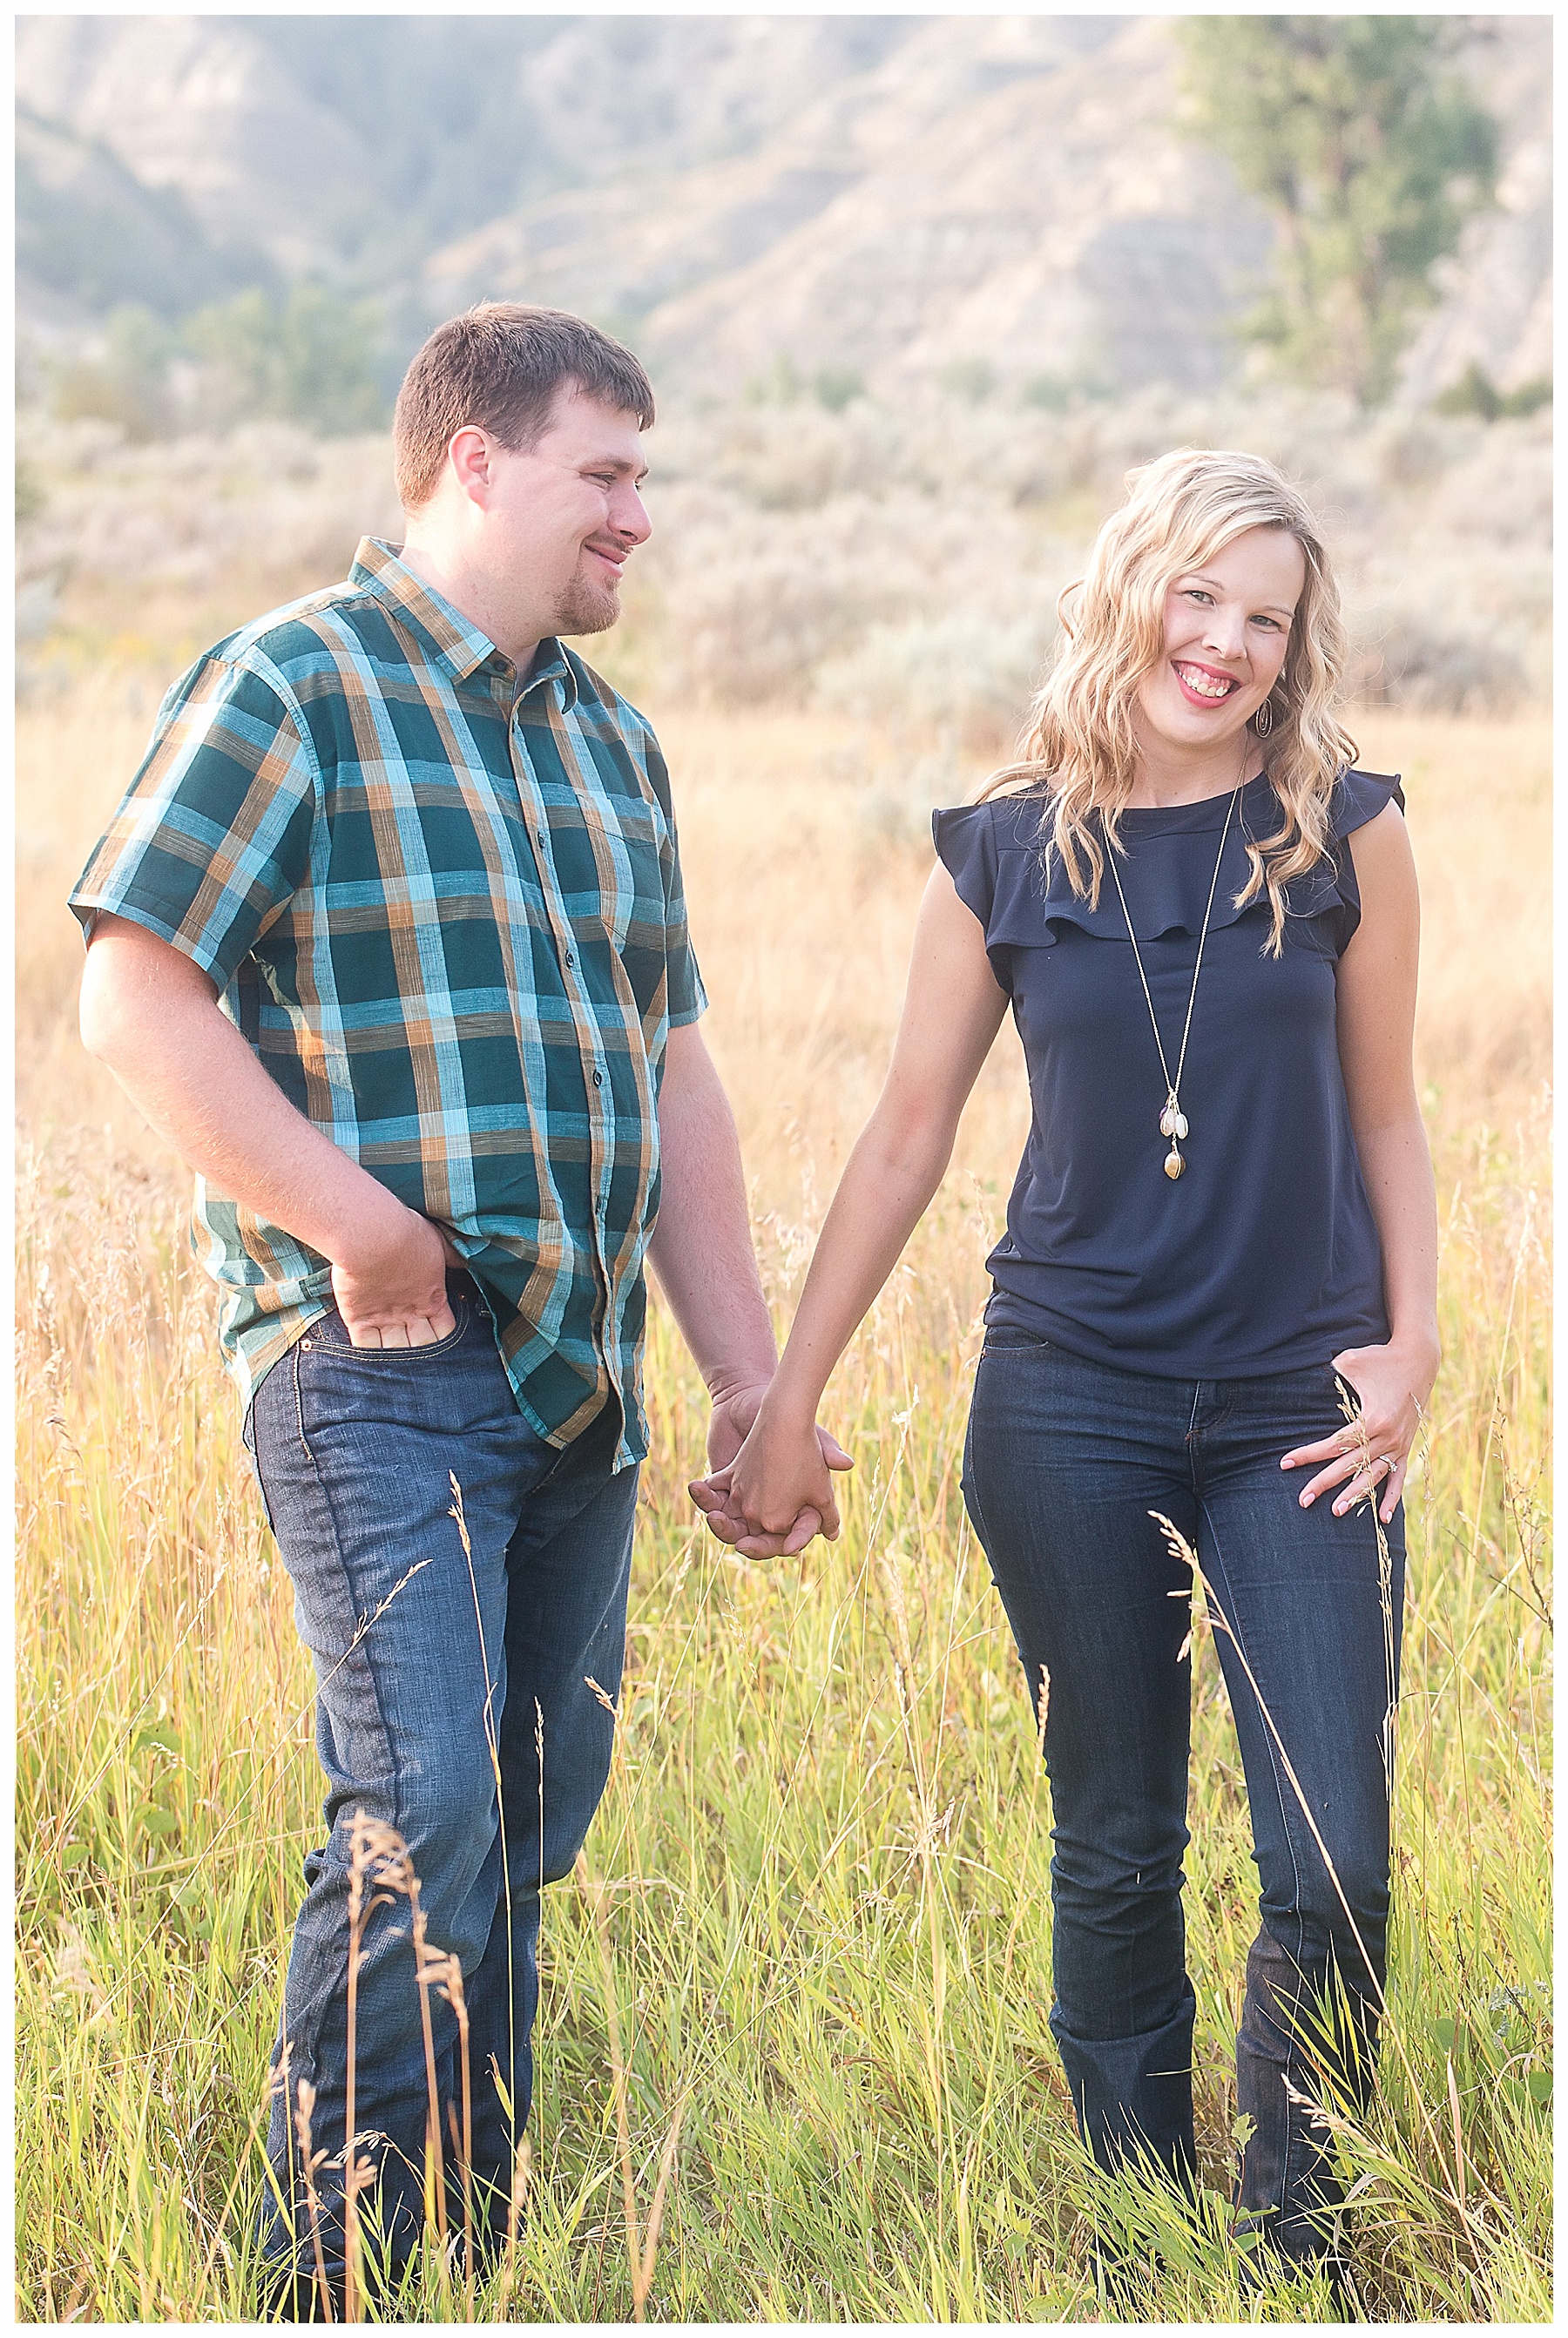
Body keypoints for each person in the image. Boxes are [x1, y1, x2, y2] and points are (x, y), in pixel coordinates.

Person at [71, 301, 846, 2316]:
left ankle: (458, 2257)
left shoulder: (612, 747)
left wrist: (755, 1377)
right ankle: (322, 2281)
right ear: (473, 462)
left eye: (644, 479)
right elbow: (131, 989)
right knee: (420, 1807)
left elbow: (673, 1071)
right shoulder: (294, 686)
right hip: (378, 1369)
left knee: (517, 1823)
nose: (639, 519)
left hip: (579, 1386)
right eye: (608, 473)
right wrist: (359, 1229)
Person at [692, 446, 1439, 2291]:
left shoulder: (1347, 828)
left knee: (1332, 1860)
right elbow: (902, 1137)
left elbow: (1391, 1110)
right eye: (1202, 596)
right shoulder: (1002, 848)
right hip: (1068, 1402)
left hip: (1302, 1416)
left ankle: (1298, 2220)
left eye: (1266, 618)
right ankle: (1141, 2209)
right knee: (1116, 1831)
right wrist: (787, 1393)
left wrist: (1416, 1347)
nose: (1230, 644)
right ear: (1133, 589)